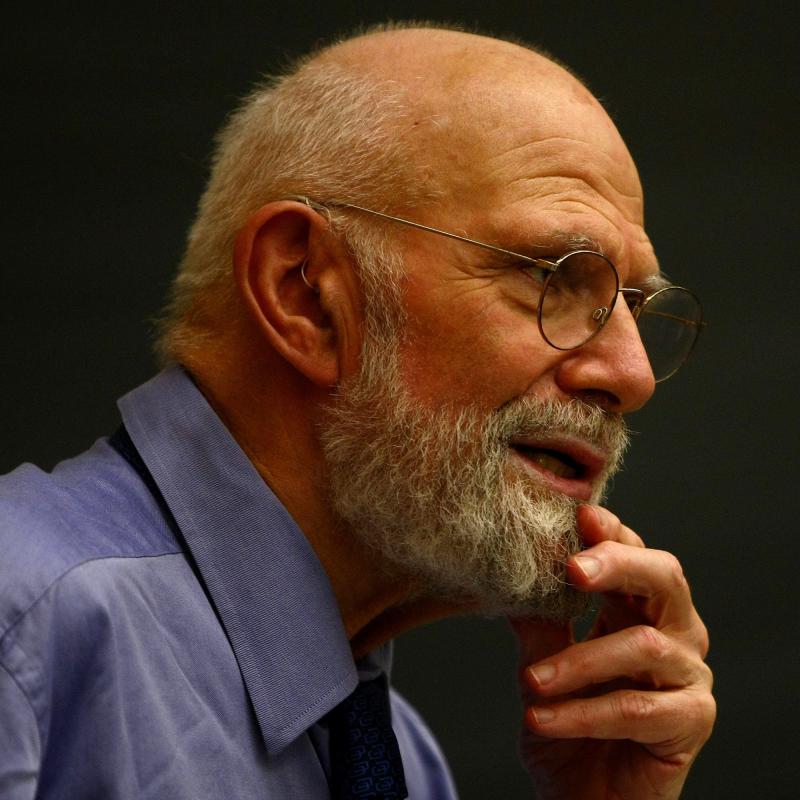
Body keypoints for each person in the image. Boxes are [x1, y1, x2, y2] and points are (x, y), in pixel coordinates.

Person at [0, 23, 715, 800]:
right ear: (305, 294)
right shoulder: (24, 632)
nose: (632, 375)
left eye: (634, 307)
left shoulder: (400, 759)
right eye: (552, 277)